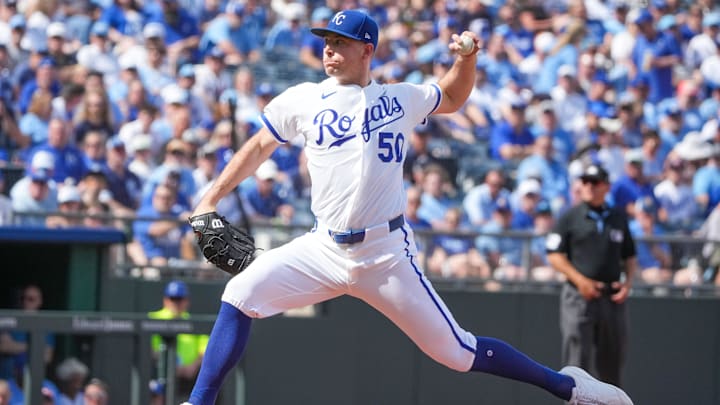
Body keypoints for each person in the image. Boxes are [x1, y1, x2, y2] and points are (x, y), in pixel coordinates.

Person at [183, 10, 632, 405]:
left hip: (385, 254)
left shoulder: (399, 98)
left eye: (340, 43)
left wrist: (466, 59)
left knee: (457, 353)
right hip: (322, 248)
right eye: (326, 43)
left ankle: (569, 388)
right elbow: (259, 145)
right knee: (239, 295)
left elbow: (453, 98)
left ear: (367, 50)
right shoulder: (302, 98)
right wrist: (209, 198)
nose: (330, 51)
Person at [546, 164, 637, 388]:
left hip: (611, 297)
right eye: (584, 181)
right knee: (577, 364)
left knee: (612, 364)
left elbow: (630, 255)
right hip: (579, 297)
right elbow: (554, 255)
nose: (588, 186)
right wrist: (580, 281)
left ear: (606, 186)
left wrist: (628, 283)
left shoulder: (617, 218)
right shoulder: (571, 216)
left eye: (594, 182)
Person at [148, 280, 208, 403]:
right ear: (166, 300)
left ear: (187, 301)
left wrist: (193, 366)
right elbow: (150, 349)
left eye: (180, 299)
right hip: (161, 376)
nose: (176, 303)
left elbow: (204, 349)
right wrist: (172, 366)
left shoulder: (194, 321)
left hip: (189, 378)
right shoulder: (154, 318)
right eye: (173, 299)